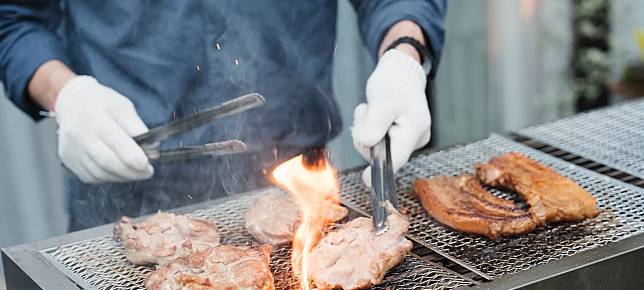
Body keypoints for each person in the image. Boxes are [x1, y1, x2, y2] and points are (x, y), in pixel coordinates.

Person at [0, 1, 446, 231]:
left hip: (294, 182)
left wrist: (404, 56)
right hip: (126, 191)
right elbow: (15, 20)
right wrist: (65, 94)